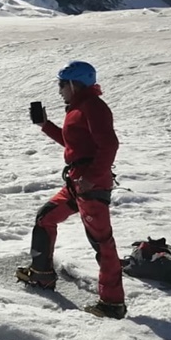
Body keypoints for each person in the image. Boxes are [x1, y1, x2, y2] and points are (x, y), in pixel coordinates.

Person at [17, 61, 126, 319]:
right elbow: (74, 144)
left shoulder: (94, 107)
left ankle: (112, 303)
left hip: (90, 186)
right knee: (45, 217)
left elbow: (109, 145)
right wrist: (45, 125)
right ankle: (41, 274)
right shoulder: (79, 108)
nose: (59, 90)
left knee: (102, 243)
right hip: (77, 184)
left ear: (75, 83)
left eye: (62, 84)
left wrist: (91, 177)